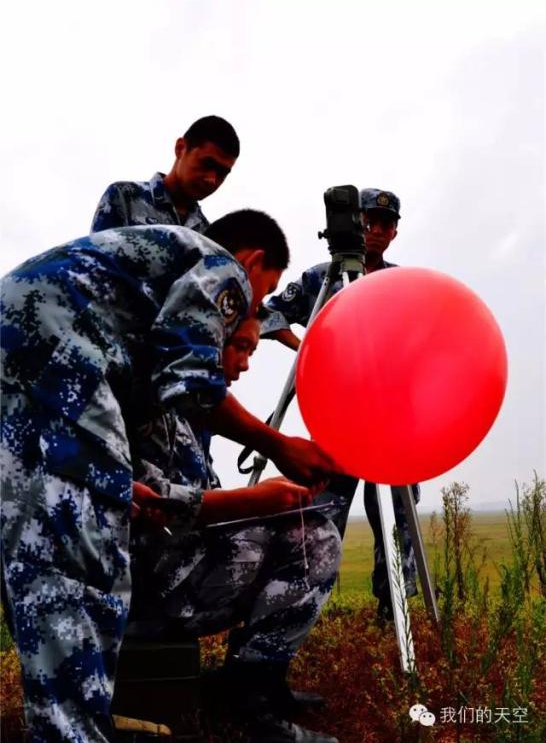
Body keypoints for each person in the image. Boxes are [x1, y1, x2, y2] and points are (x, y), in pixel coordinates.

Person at [0, 211, 336, 743]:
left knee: (55, 562)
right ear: (250, 265)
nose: (244, 358)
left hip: (27, 378)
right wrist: (268, 469)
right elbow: (193, 389)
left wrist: (115, 487)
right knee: (82, 567)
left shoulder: (117, 350)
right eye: (243, 334)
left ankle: (75, 721)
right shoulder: (219, 268)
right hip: (152, 571)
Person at [130, 314, 341, 742]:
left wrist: (275, 499)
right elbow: (149, 501)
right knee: (313, 540)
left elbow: (203, 499)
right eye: (240, 348)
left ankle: (257, 682)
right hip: (144, 590)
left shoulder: (186, 412)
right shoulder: (140, 398)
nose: (244, 364)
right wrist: (256, 499)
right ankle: (250, 703)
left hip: (173, 569)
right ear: (206, 344)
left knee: (306, 523)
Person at [258, 188, 420, 620]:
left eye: (385, 224)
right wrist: (307, 349)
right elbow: (268, 314)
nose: (376, 230)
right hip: (339, 419)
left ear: (395, 231)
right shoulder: (320, 279)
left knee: (398, 515)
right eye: (368, 221)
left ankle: (394, 608)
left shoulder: (400, 285)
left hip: (391, 419)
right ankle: (303, 607)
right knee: (325, 511)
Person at [91, 115, 239, 234]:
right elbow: (100, 265)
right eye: (207, 164)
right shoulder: (125, 197)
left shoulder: (207, 235)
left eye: (222, 173)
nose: (211, 180)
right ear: (180, 148)